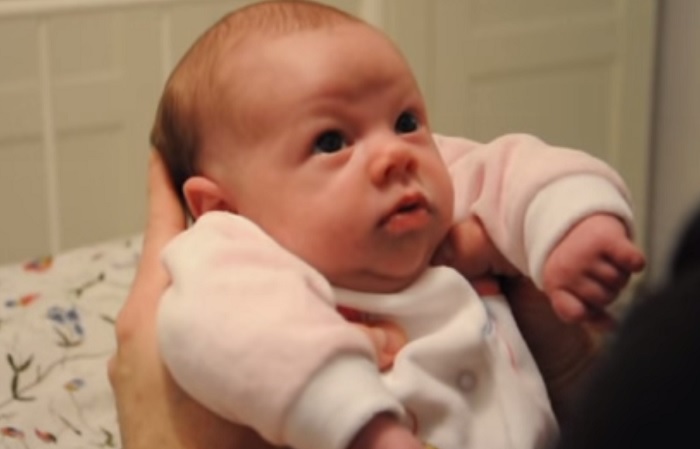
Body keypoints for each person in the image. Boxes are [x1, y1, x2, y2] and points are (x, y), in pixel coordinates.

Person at [149, 2, 645, 449]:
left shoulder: (441, 181)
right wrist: (358, 423)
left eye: (406, 121)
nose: (395, 154)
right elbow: (218, 328)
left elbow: (522, 170)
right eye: (331, 142)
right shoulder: (234, 257)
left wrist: (572, 225)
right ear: (225, 208)